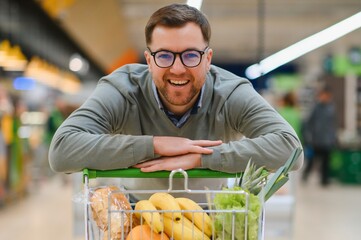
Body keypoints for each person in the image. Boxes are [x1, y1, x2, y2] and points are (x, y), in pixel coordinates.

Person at [49, 3, 303, 199]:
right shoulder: (122, 88)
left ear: (208, 58)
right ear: (148, 61)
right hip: (138, 215)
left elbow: (291, 149)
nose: (178, 69)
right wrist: (156, 144)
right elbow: (62, 150)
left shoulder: (231, 92)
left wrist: (203, 158)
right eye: (165, 56)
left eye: (191, 55)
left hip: (213, 216)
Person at [302, 86, 337, 186]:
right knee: (311, 161)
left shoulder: (331, 108)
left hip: (327, 140)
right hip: (316, 140)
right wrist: (309, 136)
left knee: (326, 162)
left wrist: (333, 137)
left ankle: (325, 180)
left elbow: (333, 124)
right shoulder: (316, 108)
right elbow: (308, 123)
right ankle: (305, 176)